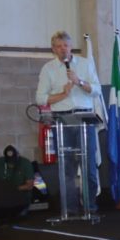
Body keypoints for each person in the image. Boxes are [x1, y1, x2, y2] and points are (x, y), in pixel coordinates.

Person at [35, 30, 103, 213]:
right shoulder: (48, 69)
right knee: (67, 168)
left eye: (65, 45)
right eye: (58, 46)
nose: (63, 49)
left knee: (88, 166)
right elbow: (40, 99)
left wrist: (79, 82)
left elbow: (97, 90)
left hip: (84, 119)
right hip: (62, 120)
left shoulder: (85, 64)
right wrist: (63, 94)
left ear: (71, 46)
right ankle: (70, 210)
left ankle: (89, 207)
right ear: (53, 49)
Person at [0, 145, 36, 221]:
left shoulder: (25, 163)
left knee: (18, 216)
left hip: (21, 198)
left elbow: (29, 185)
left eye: (13, 161)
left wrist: (13, 189)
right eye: (9, 162)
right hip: (3, 199)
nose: (11, 164)